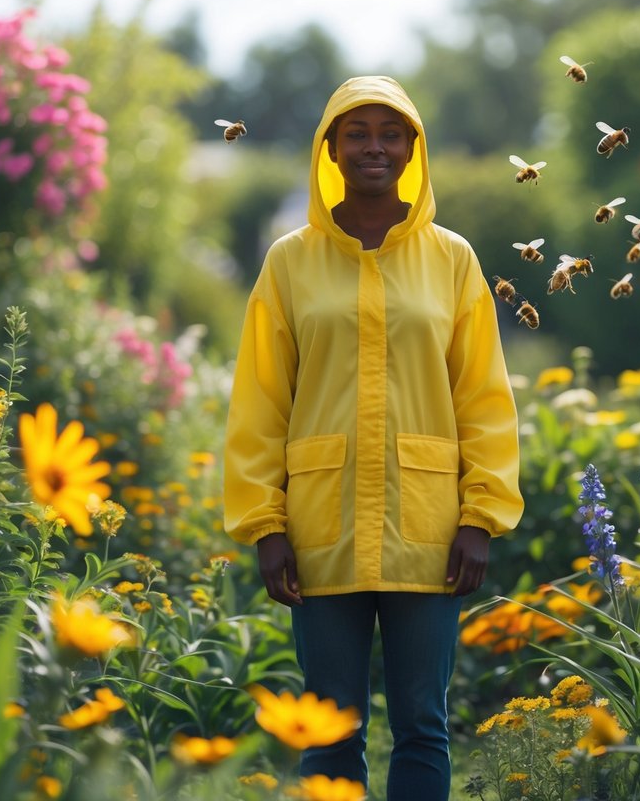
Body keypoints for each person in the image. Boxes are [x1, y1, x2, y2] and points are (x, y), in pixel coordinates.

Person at [223, 75, 523, 800]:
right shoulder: (289, 261)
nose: (373, 147)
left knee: (423, 721)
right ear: (328, 146)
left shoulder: (452, 260)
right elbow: (261, 400)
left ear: (413, 147)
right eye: (356, 132)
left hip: (429, 527)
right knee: (330, 725)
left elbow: (483, 395)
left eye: (390, 132)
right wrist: (265, 525)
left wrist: (480, 515)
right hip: (319, 527)